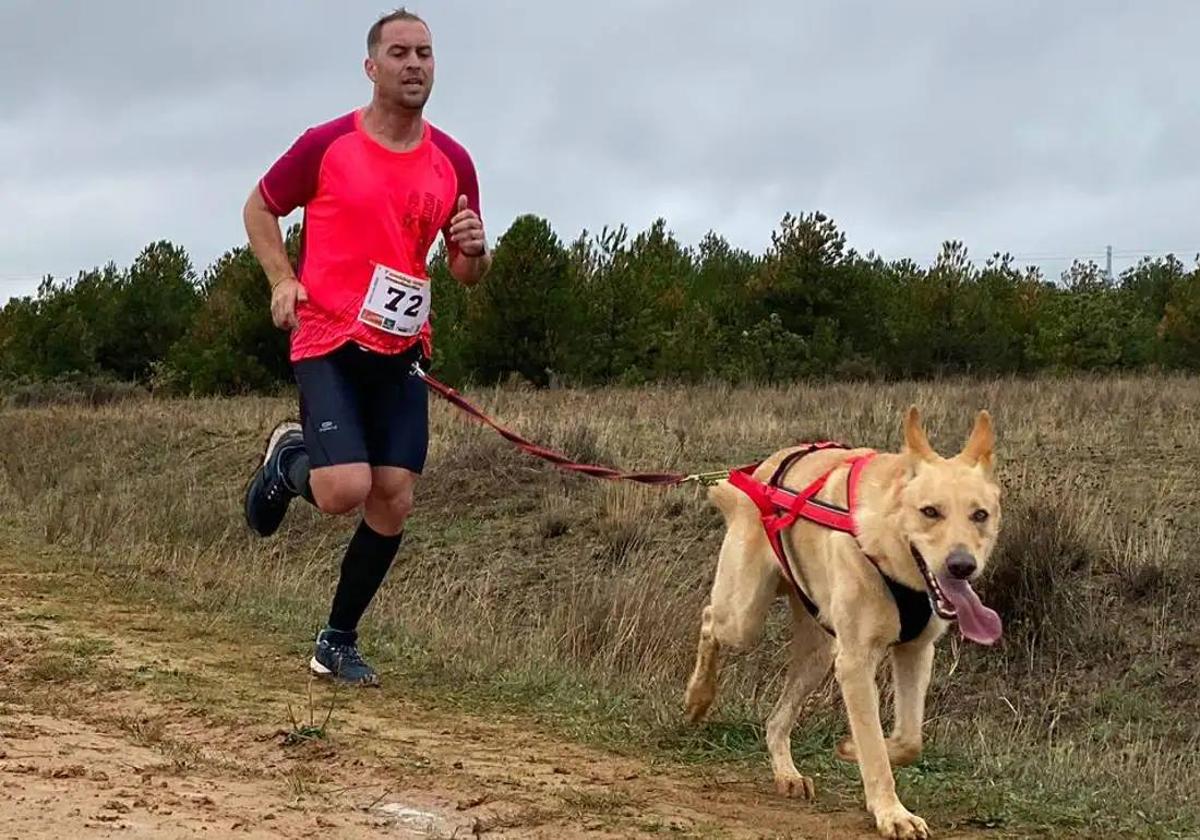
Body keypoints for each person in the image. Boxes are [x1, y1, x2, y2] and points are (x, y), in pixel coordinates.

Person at [240, 7, 490, 687]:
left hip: (402, 346)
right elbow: (260, 207)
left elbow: (466, 270)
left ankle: (336, 641)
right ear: (372, 66)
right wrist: (283, 279)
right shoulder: (327, 144)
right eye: (402, 53)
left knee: (394, 497)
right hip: (327, 337)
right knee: (345, 489)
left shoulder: (453, 161)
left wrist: (473, 251)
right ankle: (289, 459)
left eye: (427, 54)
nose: (416, 65)